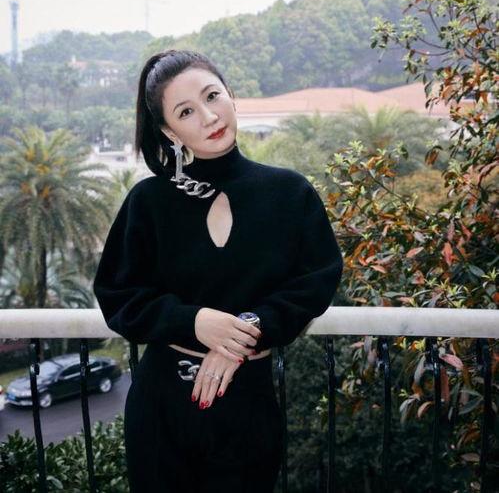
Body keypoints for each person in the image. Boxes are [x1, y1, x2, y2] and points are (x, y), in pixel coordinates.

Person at [93, 49, 343, 493]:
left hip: (248, 409)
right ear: (169, 131)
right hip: (161, 411)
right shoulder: (148, 201)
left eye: (212, 96)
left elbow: (315, 281)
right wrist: (194, 321)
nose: (209, 117)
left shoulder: (290, 193)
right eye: (186, 111)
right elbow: (118, 294)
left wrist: (244, 333)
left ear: (231, 95)